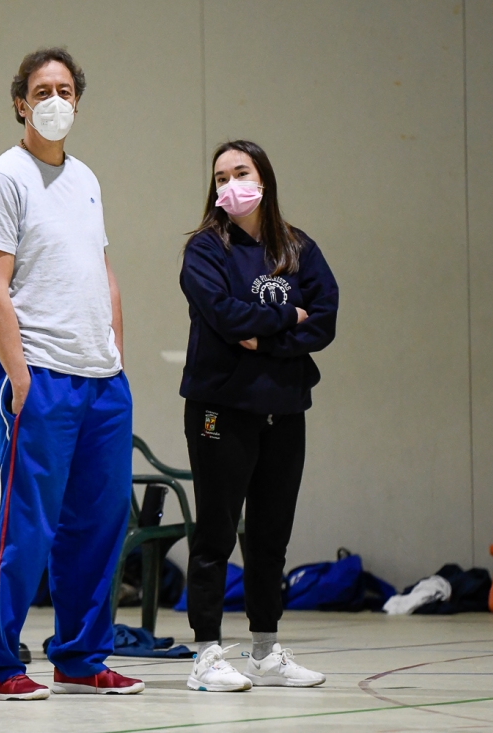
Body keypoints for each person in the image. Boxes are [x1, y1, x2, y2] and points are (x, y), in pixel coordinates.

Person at [0, 47, 143, 701]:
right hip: (39, 375)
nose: (55, 99)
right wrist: (18, 377)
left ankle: (79, 654)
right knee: (25, 525)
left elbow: (103, 272)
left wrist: (115, 357)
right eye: (43, 88)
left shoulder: (87, 178)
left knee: (99, 522)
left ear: (78, 100)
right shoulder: (2, 177)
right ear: (20, 100)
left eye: (66, 88)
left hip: (102, 379)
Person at [179, 140, 339, 691]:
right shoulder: (205, 249)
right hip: (220, 407)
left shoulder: (298, 248)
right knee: (216, 532)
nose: (230, 185)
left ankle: (266, 651)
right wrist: (284, 316)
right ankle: (205, 654)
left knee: (271, 534)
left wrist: (264, 335)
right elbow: (224, 315)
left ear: (263, 178)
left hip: (284, 408)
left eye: (240, 172)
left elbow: (324, 320)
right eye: (220, 176)